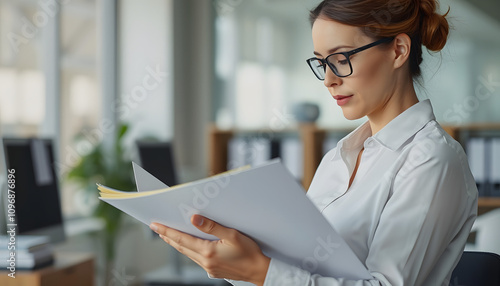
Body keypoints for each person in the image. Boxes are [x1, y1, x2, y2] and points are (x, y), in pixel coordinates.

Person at [149, 0, 478, 285]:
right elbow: (296, 271)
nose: (329, 80)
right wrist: (236, 263)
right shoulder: (338, 157)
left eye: (341, 58)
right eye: (322, 63)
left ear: (398, 50)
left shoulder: (432, 160)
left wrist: (262, 273)